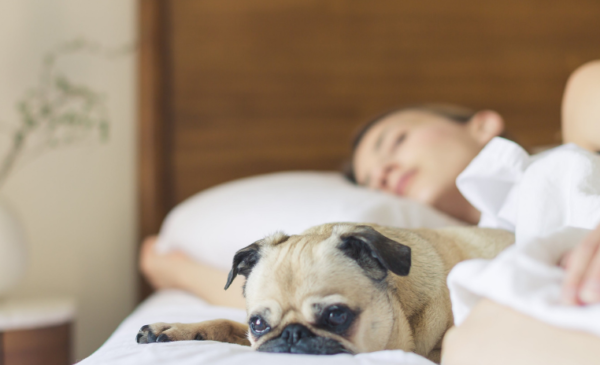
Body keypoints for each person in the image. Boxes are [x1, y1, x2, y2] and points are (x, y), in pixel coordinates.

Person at [140, 60, 600, 309]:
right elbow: (294, 296)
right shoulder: (445, 260)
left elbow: (587, 89)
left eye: (395, 139)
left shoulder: (568, 155)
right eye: (370, 180)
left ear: (482, 125)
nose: (382, 169)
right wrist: (175, 272)